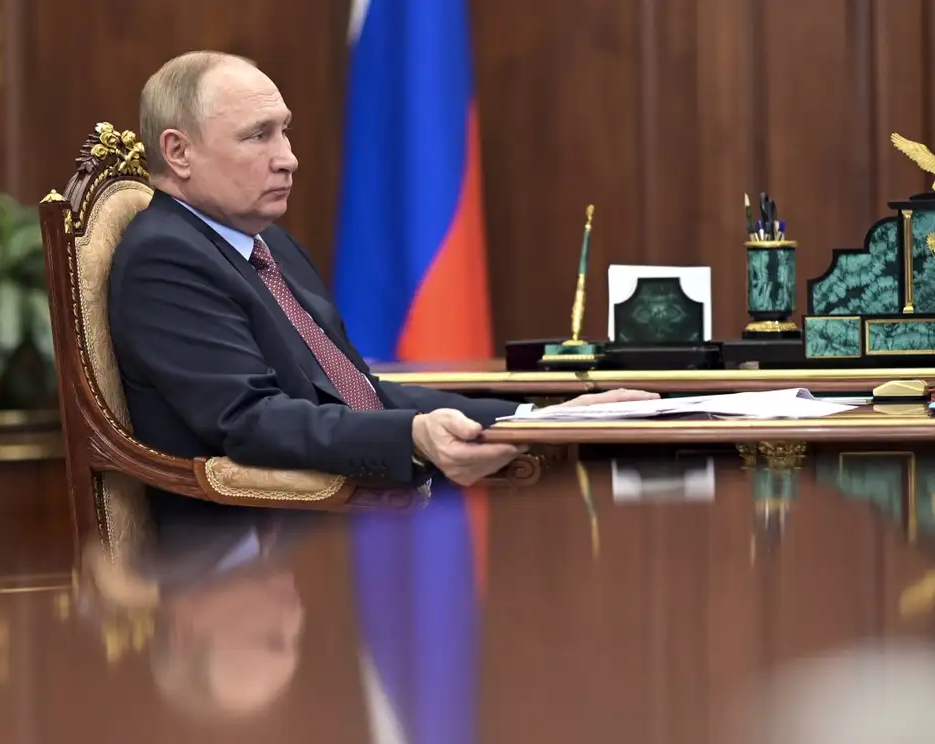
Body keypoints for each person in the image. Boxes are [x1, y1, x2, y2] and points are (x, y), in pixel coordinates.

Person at [108, 51, 657, 523]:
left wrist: (540, 420)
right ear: (178, 152)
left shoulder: (270, 245)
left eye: (285, 130)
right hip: (251, 549)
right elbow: (249, 422)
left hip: (330, 522)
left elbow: (358, 391)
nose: (289, 158)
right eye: (258, 136)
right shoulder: (166, 258)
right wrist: (411, 438)